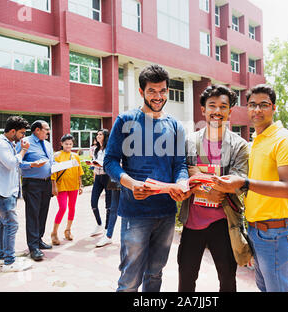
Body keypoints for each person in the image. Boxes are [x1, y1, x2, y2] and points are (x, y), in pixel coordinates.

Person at [104, 64, 190, 292]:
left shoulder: (175, 126)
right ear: (141, 92)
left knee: (155, 274)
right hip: (136, 212)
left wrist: (182, 182)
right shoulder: (125, 120)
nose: (158, 96)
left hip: (166, 212)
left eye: (162, 91)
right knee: (130, 278)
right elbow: (110, 161)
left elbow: (180, 164)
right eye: (152, 91)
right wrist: (131, 184)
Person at [213, 84, 288, 292]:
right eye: (252, 105)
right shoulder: (256, 142)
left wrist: (243, 183)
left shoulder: (284, 140)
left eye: (264, 105)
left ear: (274, 108)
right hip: (257, 232)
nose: (257, 110)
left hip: (276, 233)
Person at [178, 84, 249, 292]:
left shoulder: (239, 145)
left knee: (227, 280)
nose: (217, 111)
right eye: (212, 106)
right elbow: (181, 174)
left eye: (223, 107)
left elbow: (239, 181)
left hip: (224, 223)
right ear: (203, 110)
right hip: (192, 223)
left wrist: (197, 176)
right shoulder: (189, 142)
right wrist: (201, 188)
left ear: (230, 111)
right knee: (186, 278)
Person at [0, 116, 32, 272]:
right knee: (11, 224)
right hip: (2, 192)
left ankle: (3, 256)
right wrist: (24, 150)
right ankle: (9, 262)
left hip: (6, 191)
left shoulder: (8, 144)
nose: (23, 136)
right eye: (21, 133)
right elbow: (11, 163)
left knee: (4, 224)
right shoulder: (0, 144)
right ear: (13, 131)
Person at [18, 120, 54, 262]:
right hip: (32, 183)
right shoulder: (24, 143)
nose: (48, 132)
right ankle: (33, 247)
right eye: (46, 129)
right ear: (37, 130)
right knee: (33, 214)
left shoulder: (47, 144)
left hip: (46, 183)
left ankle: (39, 240)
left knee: (42, 212)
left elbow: (51, 162)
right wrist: (32, 164)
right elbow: (17, 163)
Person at [50, 134, 84, 245]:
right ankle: (54, 232)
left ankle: (68, 230)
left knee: (72, 208)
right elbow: (53, 171)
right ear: (61, 144)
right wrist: (53, 185)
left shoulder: (75, 156)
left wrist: (80, 185)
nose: (68, 146)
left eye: (70, 144)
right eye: (66, 144)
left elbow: (79, 172)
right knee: (63, 208)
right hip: (61, 186)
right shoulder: (57, 155)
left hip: (73, 185)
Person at [89, 129, 112, 237]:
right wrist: (92, 164)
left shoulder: (109, 149)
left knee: (109, 205)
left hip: (108, 177)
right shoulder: (96, 149)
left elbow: (112, 163)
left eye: (100, 134)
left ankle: (107, 229)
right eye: (97, 134)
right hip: (98, 178)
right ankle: (99, 224)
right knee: (93, 202)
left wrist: (101, 165)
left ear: (105, 136)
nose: (98, 136)